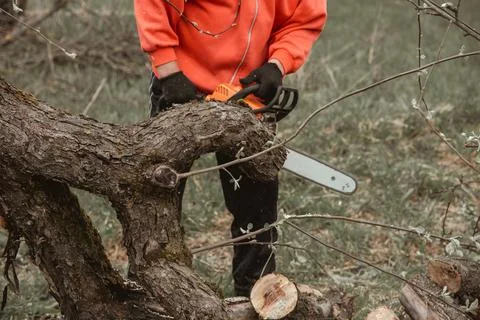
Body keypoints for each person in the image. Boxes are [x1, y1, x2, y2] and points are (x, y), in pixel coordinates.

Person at [134, 0, 326, 297]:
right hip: (181, 81)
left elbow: (304, 18)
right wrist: (168, 69)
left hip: (248, 90)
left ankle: (255, 294)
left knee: (257, 206)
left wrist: (278, 63)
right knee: (158, 192)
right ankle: (149, 288)